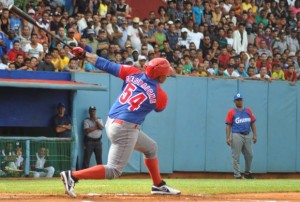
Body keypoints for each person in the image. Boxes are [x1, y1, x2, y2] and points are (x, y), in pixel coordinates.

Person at [60, 47, 181, 198]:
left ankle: (158, 185)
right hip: (126, 128)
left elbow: (105, 64)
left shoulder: (132, 72)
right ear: (160, 76)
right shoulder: (160, 95)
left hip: (112, 122)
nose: (167, 76)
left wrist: (85, 55)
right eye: (165, 74)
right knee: (114, 170)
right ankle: (73, 175)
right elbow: (159, 109)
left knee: (151, 148)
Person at [225, 93, 257, 179]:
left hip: (247, 135)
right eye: (237, 100)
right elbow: (228, 125)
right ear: (234, 101)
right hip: (236, 135)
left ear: (242, 100)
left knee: (250, 155)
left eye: (240, 99)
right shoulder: (231, 112)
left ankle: (247, 173)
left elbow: (253, 123)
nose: (239, 101)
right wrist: (227, 137)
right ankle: (237, 175)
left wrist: (255, 135)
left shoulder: (248, 111)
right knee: (236, 156)